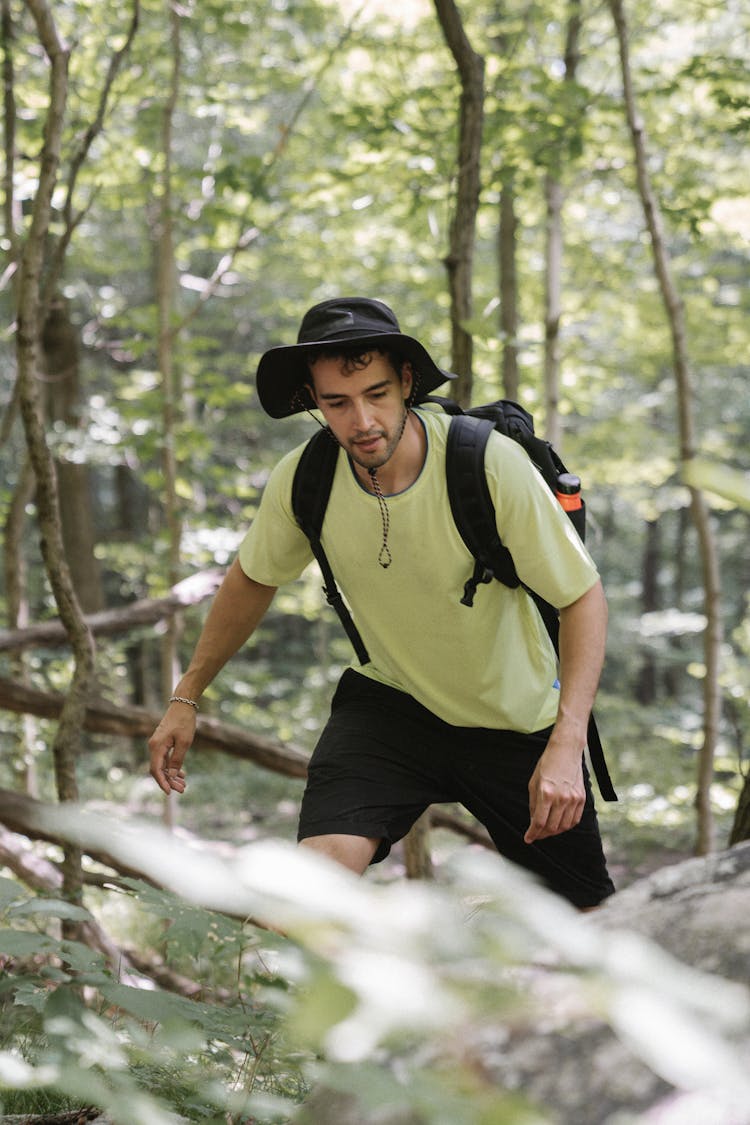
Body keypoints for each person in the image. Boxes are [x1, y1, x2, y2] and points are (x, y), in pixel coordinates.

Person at [148, 296, 615, 908]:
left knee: (591, 925)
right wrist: (187, 696)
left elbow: (582, 597)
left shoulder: (485, 465)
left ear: (407, 384)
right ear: (314, 402)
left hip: (516, 718)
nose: (360, 420)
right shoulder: (305, 478)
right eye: (337, 403)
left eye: (376, 394)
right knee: (305, 900)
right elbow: (250, 579)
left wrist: (565, 743)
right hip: (392, 708)